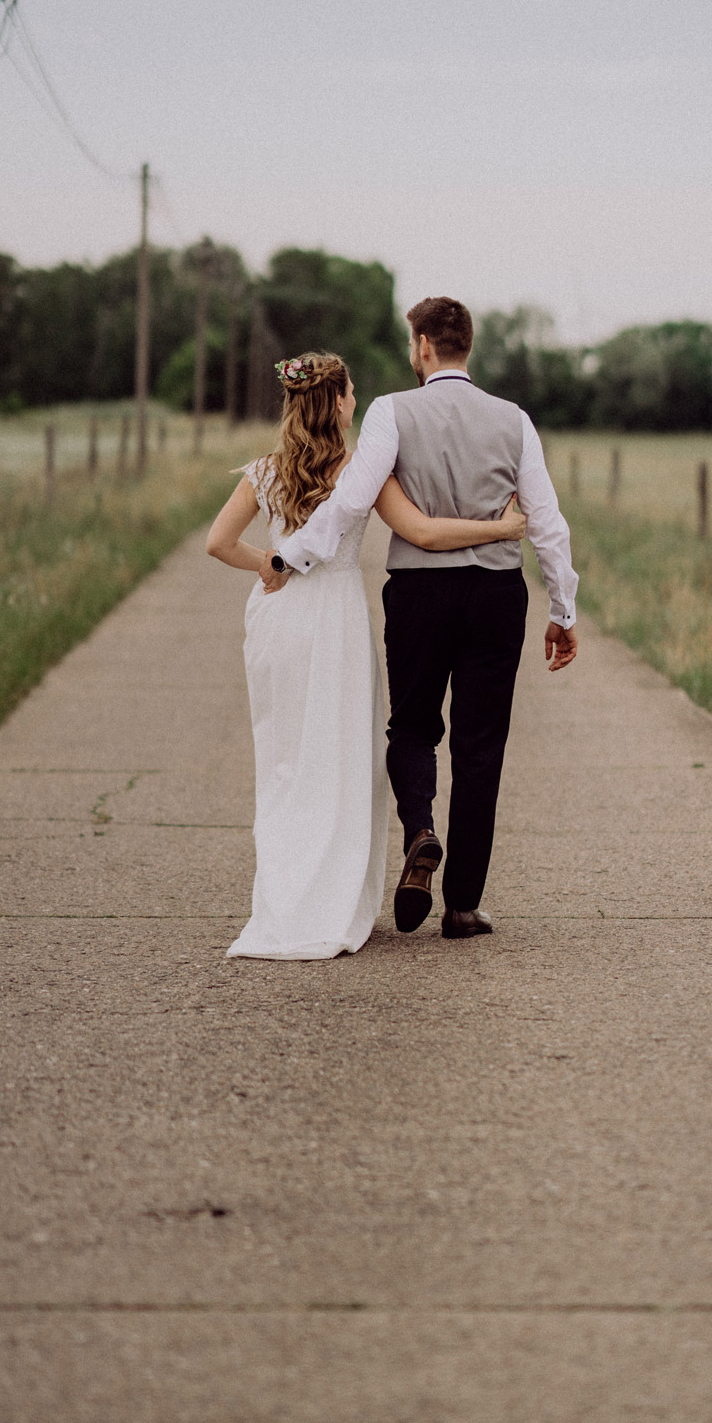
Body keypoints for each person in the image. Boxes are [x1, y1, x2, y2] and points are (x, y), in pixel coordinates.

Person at [267, 297, 579, 941]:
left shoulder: (392, 411)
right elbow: (546, 520)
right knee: (480, 747)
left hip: (419, 595)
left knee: (411, 727)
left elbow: (353, 499)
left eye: (413, 344)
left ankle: (420, 832)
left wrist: (292, 553)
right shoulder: (514, 419)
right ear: (466, 345)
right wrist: (563, 607)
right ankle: (463, 906)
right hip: (496, 593)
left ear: (425, 347)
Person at [205, 350, 527, 960]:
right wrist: (501, 530)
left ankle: (284, 901)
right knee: (343, 757)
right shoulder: (361, 472)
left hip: (278, 620)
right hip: (337, 623)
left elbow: (219, 543)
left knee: (284, 760)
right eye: (351, 391)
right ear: (340, 404)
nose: (356, 399)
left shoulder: (265, 473)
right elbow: (427, 533)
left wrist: (271, 569)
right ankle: (332, 900)